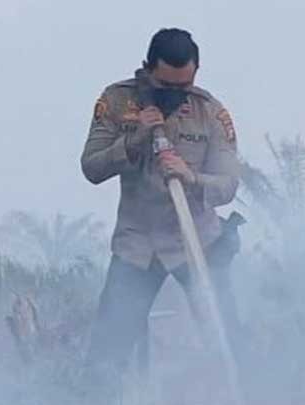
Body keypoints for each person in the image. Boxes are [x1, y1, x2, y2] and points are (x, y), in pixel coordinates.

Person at [81, 28, 242, 375]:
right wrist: (136, 139)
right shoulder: (117, 102)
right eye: (166, 87)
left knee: (228, 344)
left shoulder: (211, 113)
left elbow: (228, 185)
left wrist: (192, 177)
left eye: (183, 87)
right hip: (137, 247)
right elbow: (91, 167)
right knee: (107, 355)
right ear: (148, 68)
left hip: (198, 242)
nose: (175, 95)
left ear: (195, 74)